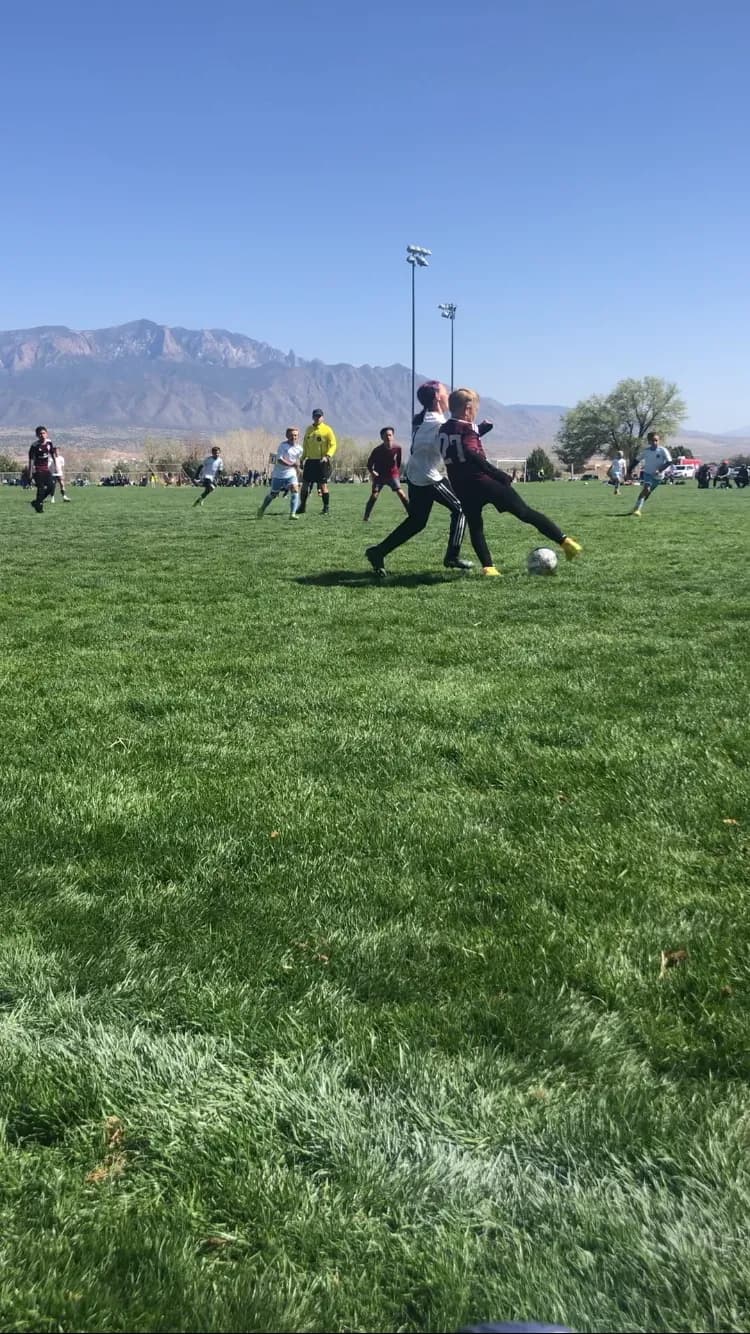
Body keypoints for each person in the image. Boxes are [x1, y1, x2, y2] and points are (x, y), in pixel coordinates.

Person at [438, 388, 582, 576]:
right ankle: (566, 543)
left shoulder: (443, 428)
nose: (475, 413)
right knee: (524, 512)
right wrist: (500, 475)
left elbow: (458, 446)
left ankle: (488, 567)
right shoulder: (468, 427)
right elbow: (472, 454)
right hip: (484, 482)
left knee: (476, 526)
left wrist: (480, 431)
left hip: (462, 487)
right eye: (475, 409)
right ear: (467, 407)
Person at [365, 380, 473, 577]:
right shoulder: (437, 422)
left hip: (416, 473)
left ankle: (377, 552)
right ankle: (452, 556)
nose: (448, 394)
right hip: (427, 475)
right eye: (445, 391)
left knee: (417, 521)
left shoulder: (423, 417)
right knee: (461, 508)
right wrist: (480, 428)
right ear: (436, 397)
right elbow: (460, 437)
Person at [363, 427, 409, 520]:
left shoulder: (398, 448)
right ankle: (366, 516)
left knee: (401, 494)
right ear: (382, 437)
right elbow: (369, 464)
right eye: (386, 435)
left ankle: (411, 513)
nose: (388, 437)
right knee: (374, 495)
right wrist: (372, 472)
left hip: (392, 474)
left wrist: (396, 472)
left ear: (393, 436)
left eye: (390, 435)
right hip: (379, 476)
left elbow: (398, 463)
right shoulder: (377, 450)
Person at [298, 409, 337, 516]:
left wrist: (327, 456)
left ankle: (326, 508)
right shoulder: (309, 429)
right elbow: (305, 446)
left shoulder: (327, 430)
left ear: (323, 417)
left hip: (322, 462)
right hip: (310, 461)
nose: (317, 418)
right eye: (315, 416)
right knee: (305, 485)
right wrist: (302, 458)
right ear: (312, 417)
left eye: (319, 416)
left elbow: (333, 444)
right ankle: (302, 506)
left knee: (323, 485)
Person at [257, 428, 303, 518]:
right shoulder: (282, 446)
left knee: (295, 490)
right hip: (279, 474)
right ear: (287, 436)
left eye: (295, 435)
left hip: (291, 474)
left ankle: (292, 514)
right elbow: (279, 460)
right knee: (273, 494)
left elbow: (299, 461)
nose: (293, 437)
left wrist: (299, 469)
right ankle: (262, 508)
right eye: (291, 435)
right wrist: (292, 464)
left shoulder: (299, 448)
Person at [630, 432, 672, 514]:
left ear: (659, 440)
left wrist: (659, 470)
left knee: (647, 493)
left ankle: (636, 507)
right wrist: (629, 470)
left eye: (656, 440)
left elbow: (669, 462)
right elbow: (636, 461)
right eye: (652, 441)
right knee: (646, 489)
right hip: (647, 474)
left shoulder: (663, 450)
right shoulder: (646, 451)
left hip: (658, 476)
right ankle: (637, 509)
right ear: (649, 441)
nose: (654, 442)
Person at [28, 426, 57, 513]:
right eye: (40, 433)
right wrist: (30, 473)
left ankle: (37, 502)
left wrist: (55, 465)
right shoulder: (34, 446)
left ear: (47, 434)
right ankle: (39, 507)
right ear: (37, 435)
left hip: (46, 470)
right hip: (38, 470)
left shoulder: (49, 443)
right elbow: (31, 460)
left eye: (44, 433)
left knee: (51, 486)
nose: (42, 435)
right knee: (40, 489)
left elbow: (52, 453)